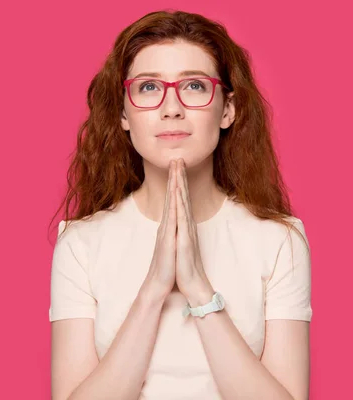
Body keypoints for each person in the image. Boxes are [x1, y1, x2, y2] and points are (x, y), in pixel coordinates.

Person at [48, 9, 313, 400]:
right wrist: (154, 288)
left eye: (193, 86)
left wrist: (199, 290)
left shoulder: (279, 242)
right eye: (149, 87)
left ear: (227, 109)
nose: (171, 108)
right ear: (123, 113)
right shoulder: (81, 244)